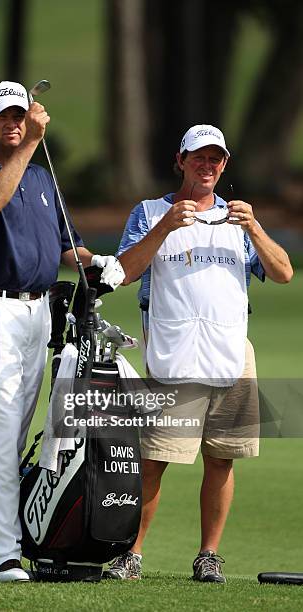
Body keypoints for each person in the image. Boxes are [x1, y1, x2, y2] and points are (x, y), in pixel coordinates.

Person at [0, 80, 125, 583]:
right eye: (3, 116)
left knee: (16, 432)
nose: (13, 123)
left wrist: (101, 263)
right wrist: (28, 146)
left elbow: (66, 247)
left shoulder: (44, 180)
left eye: (20, 115)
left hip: (36, 313)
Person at [103, 124, 293, 583]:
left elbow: (284, 272)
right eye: (198, 158)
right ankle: (132, 554)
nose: (207, 166)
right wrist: (167, 227)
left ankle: (208, 555)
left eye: (215, 159)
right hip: (175, 354)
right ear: (181, 160)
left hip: (231, 353)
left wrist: (257, 229)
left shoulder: (239, 220)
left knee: (222, 458)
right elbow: (122, 274)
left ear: (224, 164)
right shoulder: (150, 213)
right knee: (154, 460)